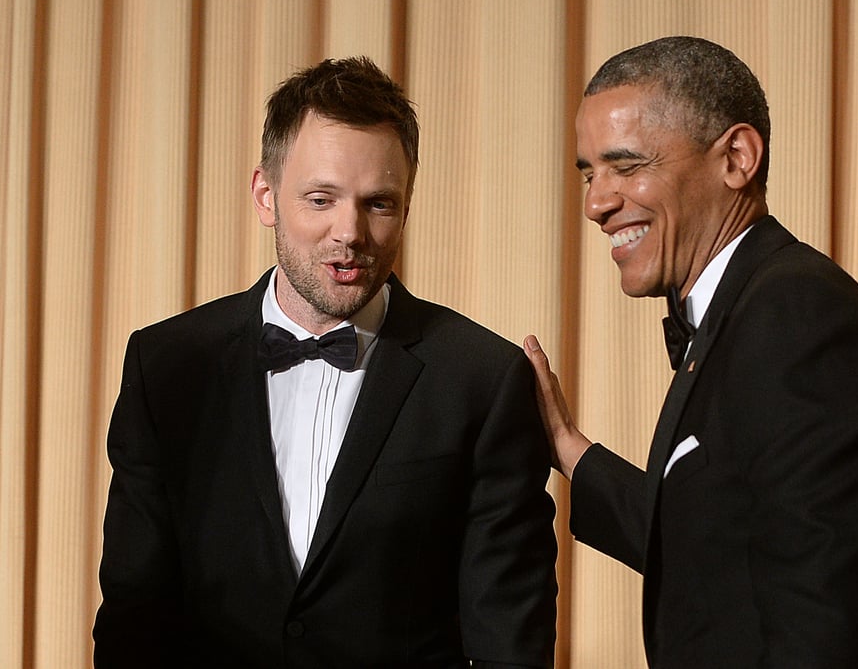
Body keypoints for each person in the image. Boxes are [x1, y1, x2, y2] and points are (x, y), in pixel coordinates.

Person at [94, 56, 557, 668]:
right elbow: (134, 616)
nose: (351, 231)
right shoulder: (167, 365)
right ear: (266, 196)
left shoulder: (482, 379)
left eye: (379, 204)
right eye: (321, 199)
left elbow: (511, 639)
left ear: (408, 207)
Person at [524, 36, 858, 667]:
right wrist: (567, 446)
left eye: (627, 165)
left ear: (737, 157)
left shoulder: (800, 322)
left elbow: (823, 624)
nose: (596, 203)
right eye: (590, 172)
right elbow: (719, 546)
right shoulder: (754, 312)